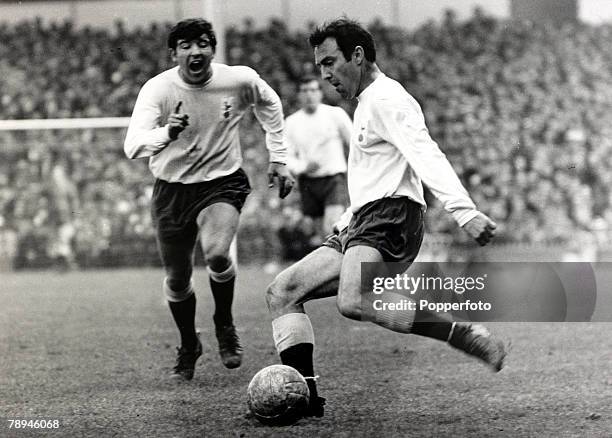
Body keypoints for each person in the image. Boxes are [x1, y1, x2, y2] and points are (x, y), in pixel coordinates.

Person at [265, 18, 504, 417]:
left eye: (329, 62)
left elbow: (425, 152)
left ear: (357, 55)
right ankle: (303, 398)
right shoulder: (366, 103)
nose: (325, 76)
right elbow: (371, 178)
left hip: (392, 216)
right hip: (361, 220)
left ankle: (460, 334)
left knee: (352, 299)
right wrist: (346, 221)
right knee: (282, 291)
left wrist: (464, 211)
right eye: (320, 67)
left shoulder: (388, 99)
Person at [124, 18, 293, 380]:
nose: (195, 51)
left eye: (202, 43)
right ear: (174, 54)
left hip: (222, 182)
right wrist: (166, 133)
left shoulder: (238, 80)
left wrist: (278, 157)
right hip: (172, 189)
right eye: (185, 45)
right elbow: (133, 145)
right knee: (177, 279)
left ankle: (224, 323)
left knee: (217, 253)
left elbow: (271, 105)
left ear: (212, 50)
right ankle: (189, 343)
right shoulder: (158, 89)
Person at [285, 76, 351, 241]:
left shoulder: (335, 114)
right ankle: (335, 264)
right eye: (305, 91)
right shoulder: (292, 122)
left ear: (320, 93)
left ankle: (346, 264)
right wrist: (303, 167)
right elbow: (286, 156)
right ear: (299, 95)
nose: (309, 95)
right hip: (309, 182)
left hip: (333, 179)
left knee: (333, 227)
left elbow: (355, 143)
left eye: (313, 90)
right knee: (322, 234)